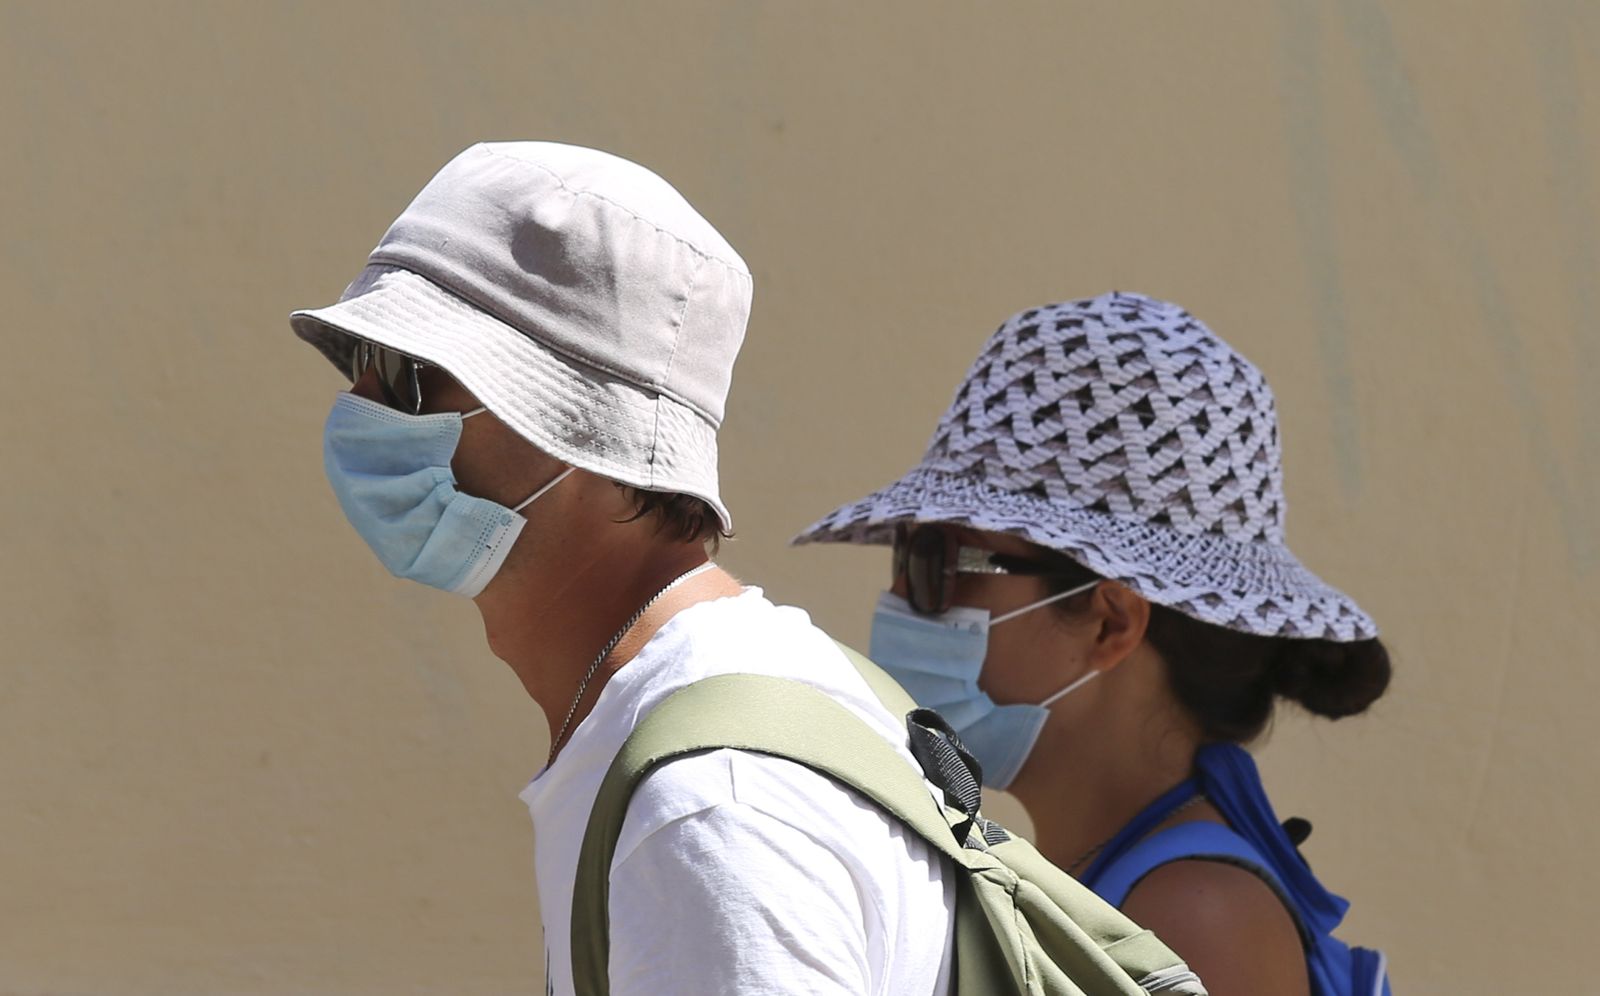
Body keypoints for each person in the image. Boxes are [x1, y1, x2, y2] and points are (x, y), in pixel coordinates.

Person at [290, 142, 953, 995]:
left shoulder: (710, 806)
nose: (364, 412)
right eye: (362, 364)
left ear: (589, 433)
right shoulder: (691, 732)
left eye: (412, 377)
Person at [796, 291, 1392, 996]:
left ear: (1111, 623)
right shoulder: (1106, 881)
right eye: (904, 558)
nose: (897, 601)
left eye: (937, 563)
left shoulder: (1193, 922)